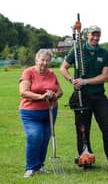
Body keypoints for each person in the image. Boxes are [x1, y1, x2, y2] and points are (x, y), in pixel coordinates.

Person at [60, 25, 108, 167]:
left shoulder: (105, 53)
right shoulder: (77, 51)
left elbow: (105, 76)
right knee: (82, 129)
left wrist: (85, 81)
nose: (95, 38)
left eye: (98, 35)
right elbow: (63, 68)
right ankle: (85, 159)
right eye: (92, 35)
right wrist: (72, 80)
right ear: (87, 35)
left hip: (99, 96)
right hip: (81, 96)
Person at [19, 49, 63, 178]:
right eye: (42, 60)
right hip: (30, 112)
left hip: (49, 111)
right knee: (35, 136)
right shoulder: (28, 72)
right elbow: (23, 92)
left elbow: (60, 91)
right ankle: (30, 167)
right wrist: (42, 96)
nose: (44, 63)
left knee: (45, 139)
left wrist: (54, 95)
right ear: (36, 60)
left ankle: (39, 165)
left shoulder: (52, 74)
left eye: (47, 60)